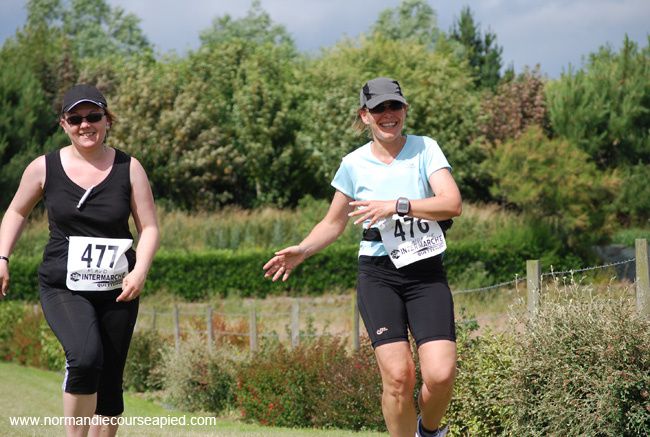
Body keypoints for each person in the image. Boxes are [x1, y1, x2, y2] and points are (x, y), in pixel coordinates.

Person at [263, 77, 460, 437]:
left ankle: (429, 432)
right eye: (378, 108)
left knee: (441, 375)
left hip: (425, 274)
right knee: (399, 376)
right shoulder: (353, 164)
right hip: (379, 276)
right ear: (365, 116)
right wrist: (302, 250)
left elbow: (452, 203)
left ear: (405, 110)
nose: (388, 114)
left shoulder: (426, 149)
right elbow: (333, 223)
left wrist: (397, 205)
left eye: (394, 106)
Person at [0, 84, 160, 437]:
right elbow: (15, 211)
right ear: (64, 124)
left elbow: (149, 228)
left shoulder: (130, 168)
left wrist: (140, 271)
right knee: (85, 358)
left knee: (110, 377)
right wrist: (2, 256)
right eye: (76, 118)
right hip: (64, 285)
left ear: (107, 120)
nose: (85, 124)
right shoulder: (43, 168)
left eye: (93, 116)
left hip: (119, 288)